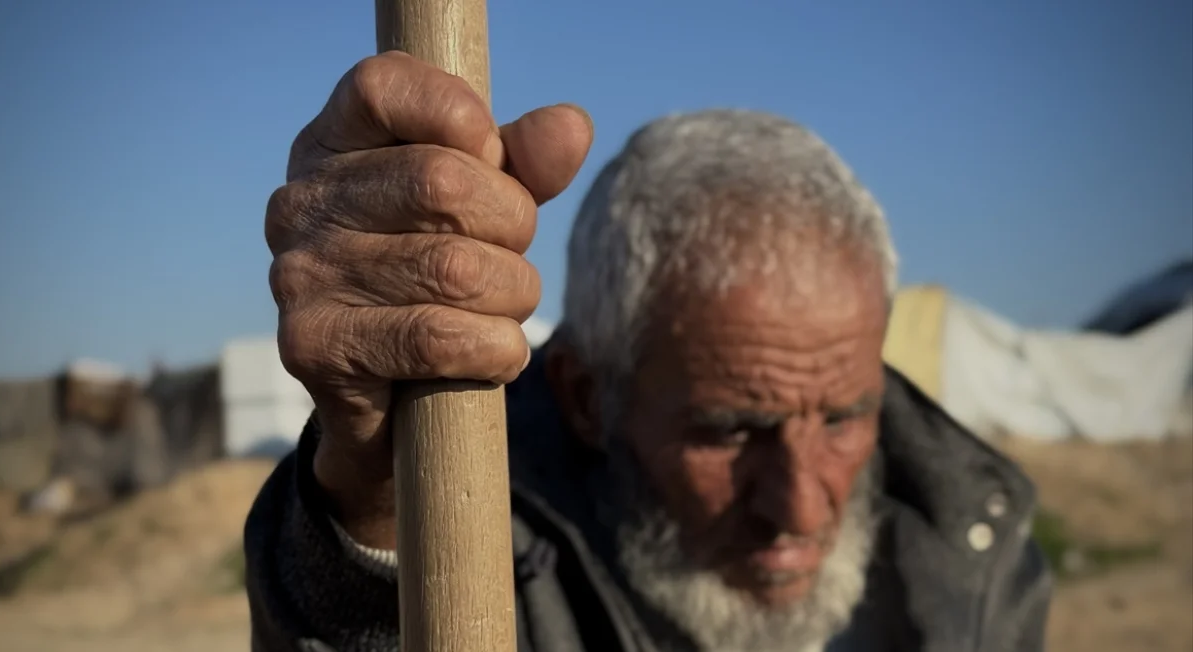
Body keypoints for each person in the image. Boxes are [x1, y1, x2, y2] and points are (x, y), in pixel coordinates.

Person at [246, 51, 1052, 652]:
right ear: (588, 398)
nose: (800, 511)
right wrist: (379, 496)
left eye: (844, 416)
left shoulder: (969, 555)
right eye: (730, 430)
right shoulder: (492, 558)